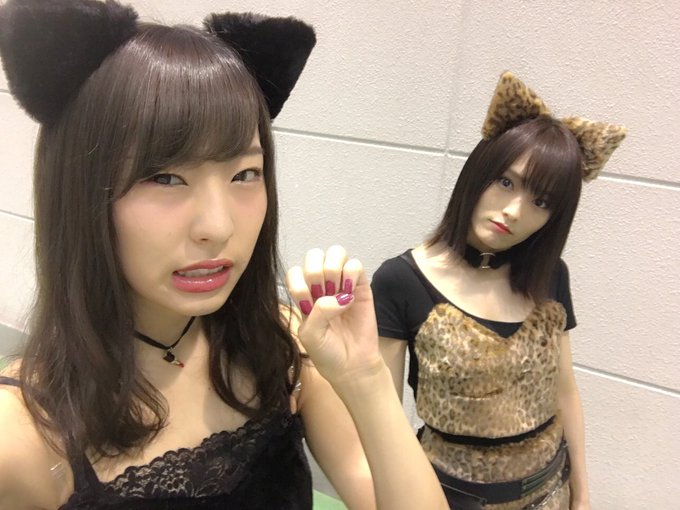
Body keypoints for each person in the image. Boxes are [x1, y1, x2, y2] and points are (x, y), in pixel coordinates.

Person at [0, 1, 448, 509]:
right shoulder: (24, 434)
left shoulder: (281, 347)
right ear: (81, 192)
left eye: (245, 174)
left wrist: (365, 378)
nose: (218, 227)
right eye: (165, 177)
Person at [372, 71, 627, 510]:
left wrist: (582, 494)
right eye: (506, 182)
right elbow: (385, 423)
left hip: (552, 491)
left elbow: (565, 391)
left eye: (541, 202)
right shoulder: (401, 281)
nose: (513, 211)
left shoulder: (550, 276)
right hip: (448, 497)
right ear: (479, 172)